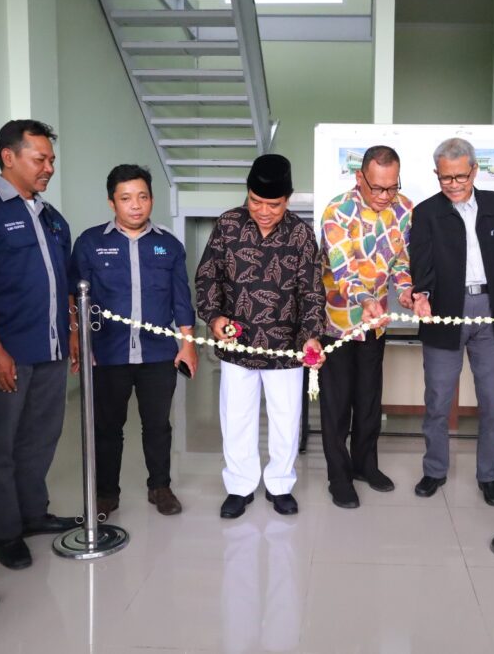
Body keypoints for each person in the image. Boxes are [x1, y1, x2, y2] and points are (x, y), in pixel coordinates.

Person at [0, 120, 77, 571]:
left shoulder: (51, 217)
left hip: (49, 350)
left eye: (51, 159)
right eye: (40, 159)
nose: (49, 167)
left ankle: (33, 513)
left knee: (41, 439)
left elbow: (64, 283)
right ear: (9, 157)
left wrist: (68, 330)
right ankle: (4, 529)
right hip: (7, 351)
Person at [195, 154, 326, 519]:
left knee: (286, 419)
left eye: (274, 204)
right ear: (246, 193)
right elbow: (208, 277)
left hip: (286, 347)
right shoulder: (228, 225)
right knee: (236, 418)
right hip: (238, 343)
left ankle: (281, 484)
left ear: (289, 199)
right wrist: (214, 316)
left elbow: (311, 292)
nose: (264, 211)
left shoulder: (301, 234)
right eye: (256, 202)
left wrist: (311, 337)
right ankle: (239, 485)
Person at [69, 164, 197, 518]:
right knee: (108, 427)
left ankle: (160, 486)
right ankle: (107, 493)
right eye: (126, 198)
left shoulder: (168, 245)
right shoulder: (91, 243)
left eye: (142, 197)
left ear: (152, 199)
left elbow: (181, 299)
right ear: (112, 203)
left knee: (157, 424)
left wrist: (188, 343)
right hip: (108, 352)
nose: (136, 205)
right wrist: (77, 339)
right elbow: (74, 297)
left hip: (157, 353)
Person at [410, 137, 494, 506]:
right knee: (438, 399)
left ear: (475, 170)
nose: (455, 184)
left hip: (491, 309)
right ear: (437, 174)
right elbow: (421, 264)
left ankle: (488, 476)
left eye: (461, 176)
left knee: (493, 401)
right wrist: (421, 295)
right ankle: (434, 470)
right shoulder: (427, 212)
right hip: (445, 311)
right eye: (446, 178)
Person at [318, 145, 414, 508]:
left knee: (369, 400)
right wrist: (365, 301)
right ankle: (338, 478)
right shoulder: (337, 212)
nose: (386, 196)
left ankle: (365, 466)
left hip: (376, 326)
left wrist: (405, 291)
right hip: (338, 323)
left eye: (392, 187)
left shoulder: (404, 209)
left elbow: (402, 261)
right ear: (360, 179)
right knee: (337, 405)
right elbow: (343, 272)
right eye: (378, 188)